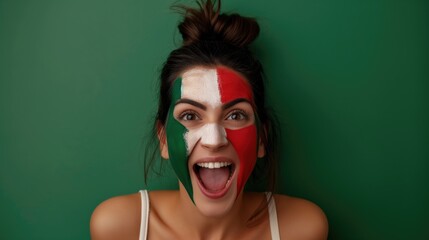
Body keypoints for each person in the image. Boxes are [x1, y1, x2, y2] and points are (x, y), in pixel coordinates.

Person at [90, 0, 328, 239]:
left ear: (262, 139)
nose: (214, 140)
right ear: (162, 138)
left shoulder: (301, 229)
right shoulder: (119, 227)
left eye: (235, 115)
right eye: (190, 116)